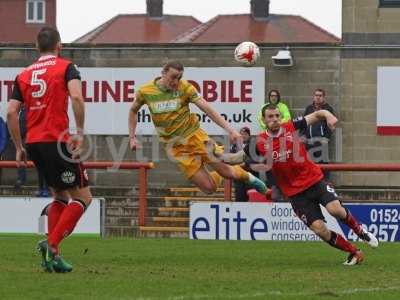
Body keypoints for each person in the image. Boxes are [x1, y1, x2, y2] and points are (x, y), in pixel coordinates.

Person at [218, 104, 378, 265]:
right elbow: (235, 158)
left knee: (335, 209)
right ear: (264, 120)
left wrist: (328, 116)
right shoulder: (258, 142)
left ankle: (361, 231)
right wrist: (213, 155)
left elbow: (317, 114)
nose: (275, 119)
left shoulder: (290, 126)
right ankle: (354, 252)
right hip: (295, 194)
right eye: (270, 117)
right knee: (319, 229)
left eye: (277, 116)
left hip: (314, 180)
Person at [7, 27, 91, 273]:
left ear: (36, 47)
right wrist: (80, 132)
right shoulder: (66, 67)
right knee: (83, 198)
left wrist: (19, 147)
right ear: (60, 46)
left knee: (60, 196)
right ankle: (52, 245)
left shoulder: (24, 74)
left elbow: (12, 111)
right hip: (57, 140)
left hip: (34, 143)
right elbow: (76, 97)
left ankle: (53, 257)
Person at [128, 61, 267, 196]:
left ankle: (250, 178)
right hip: (176, 149)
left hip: (195, 137)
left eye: (179, 78)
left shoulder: (185, 88)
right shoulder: (145, 92)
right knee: (209, 188)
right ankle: (226, 169)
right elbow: (133, 111)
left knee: (228, 173)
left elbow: (207, 108)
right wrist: (132, 137)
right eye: (173, 77)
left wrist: (230, 130)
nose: (176, 81)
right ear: (163, 73)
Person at [303, 89, 336, 179]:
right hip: (309, 141)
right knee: (310, 163)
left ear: (323, 97)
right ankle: (312, 182)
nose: (318, 97)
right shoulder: (309, 108)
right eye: (316, 95)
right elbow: (304, 122)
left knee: (323, 163)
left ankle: (325, 182)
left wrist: (326, 138)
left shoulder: (328, 109)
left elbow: (331, 124)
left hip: (321, 141)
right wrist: (304, 137)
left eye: (320, 95)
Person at [230, 127, 251, 202]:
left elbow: (256, 159)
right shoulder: (234, 147)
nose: (243, 136)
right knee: (239, 198)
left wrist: (246, 164)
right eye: (241, 134)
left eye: (245, 134)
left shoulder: (253, 145)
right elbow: (231, 158)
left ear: (249, 135)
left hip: (250, 176)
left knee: (251, 198)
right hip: (238, 177)